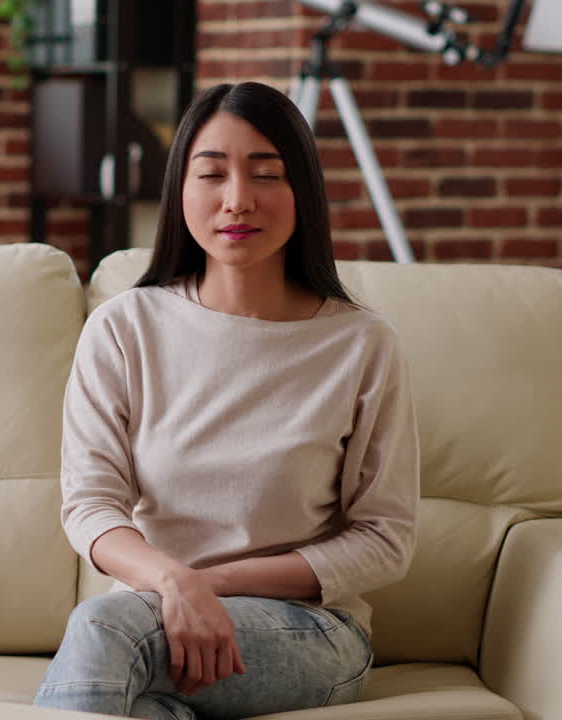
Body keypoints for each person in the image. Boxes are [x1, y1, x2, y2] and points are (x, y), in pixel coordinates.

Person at [32, 82, 420, 720]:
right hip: (154, 615)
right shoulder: (125, 328)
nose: (238, 199)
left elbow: (385, 538)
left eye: (266, 174)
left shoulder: (361, 345)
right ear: (180, 191)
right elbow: (90, 505)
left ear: (303, 193)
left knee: (105, 629)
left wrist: (202, 584)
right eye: (212, 174)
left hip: (309, 633)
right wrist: (170, 581)